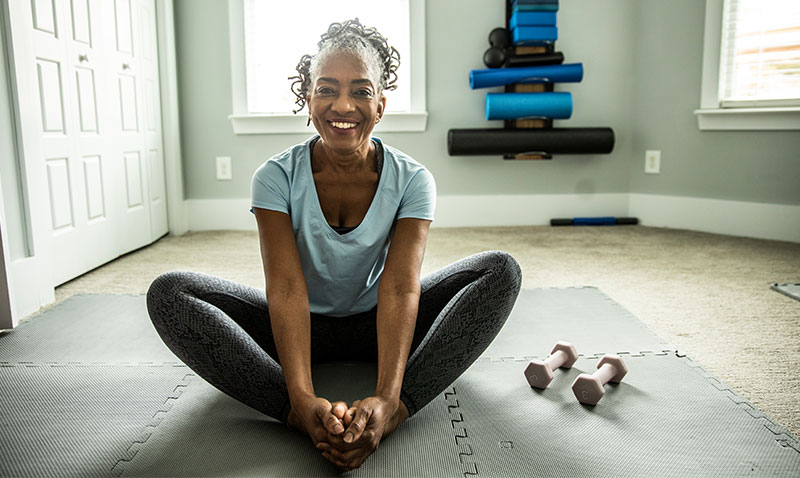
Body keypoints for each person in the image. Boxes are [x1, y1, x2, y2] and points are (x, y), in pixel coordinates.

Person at [146, 18, 522, 472]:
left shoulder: (414, 180)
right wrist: (302, 398)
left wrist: (386, 397)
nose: (343, 104)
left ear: (380, 106)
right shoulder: (275, 178)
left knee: (501, 270)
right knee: (170, 294)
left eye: (361, 91)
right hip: (298, 326)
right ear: (308, 100)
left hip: (378, 322)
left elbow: (401, 289)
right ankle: (295, 415)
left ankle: (399, 411)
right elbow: (285, 289)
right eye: (327, 89)